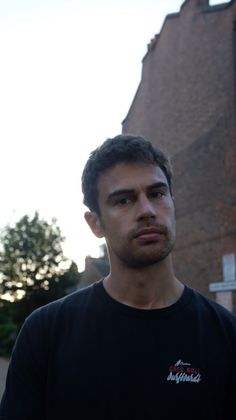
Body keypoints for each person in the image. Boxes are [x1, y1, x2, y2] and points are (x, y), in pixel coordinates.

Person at [0, 134, 236, 420]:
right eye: (123, 200)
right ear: (95, 223)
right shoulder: (45, 334)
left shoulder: (225, 335)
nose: (147, 211)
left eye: (157, 194)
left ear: (173, 202)